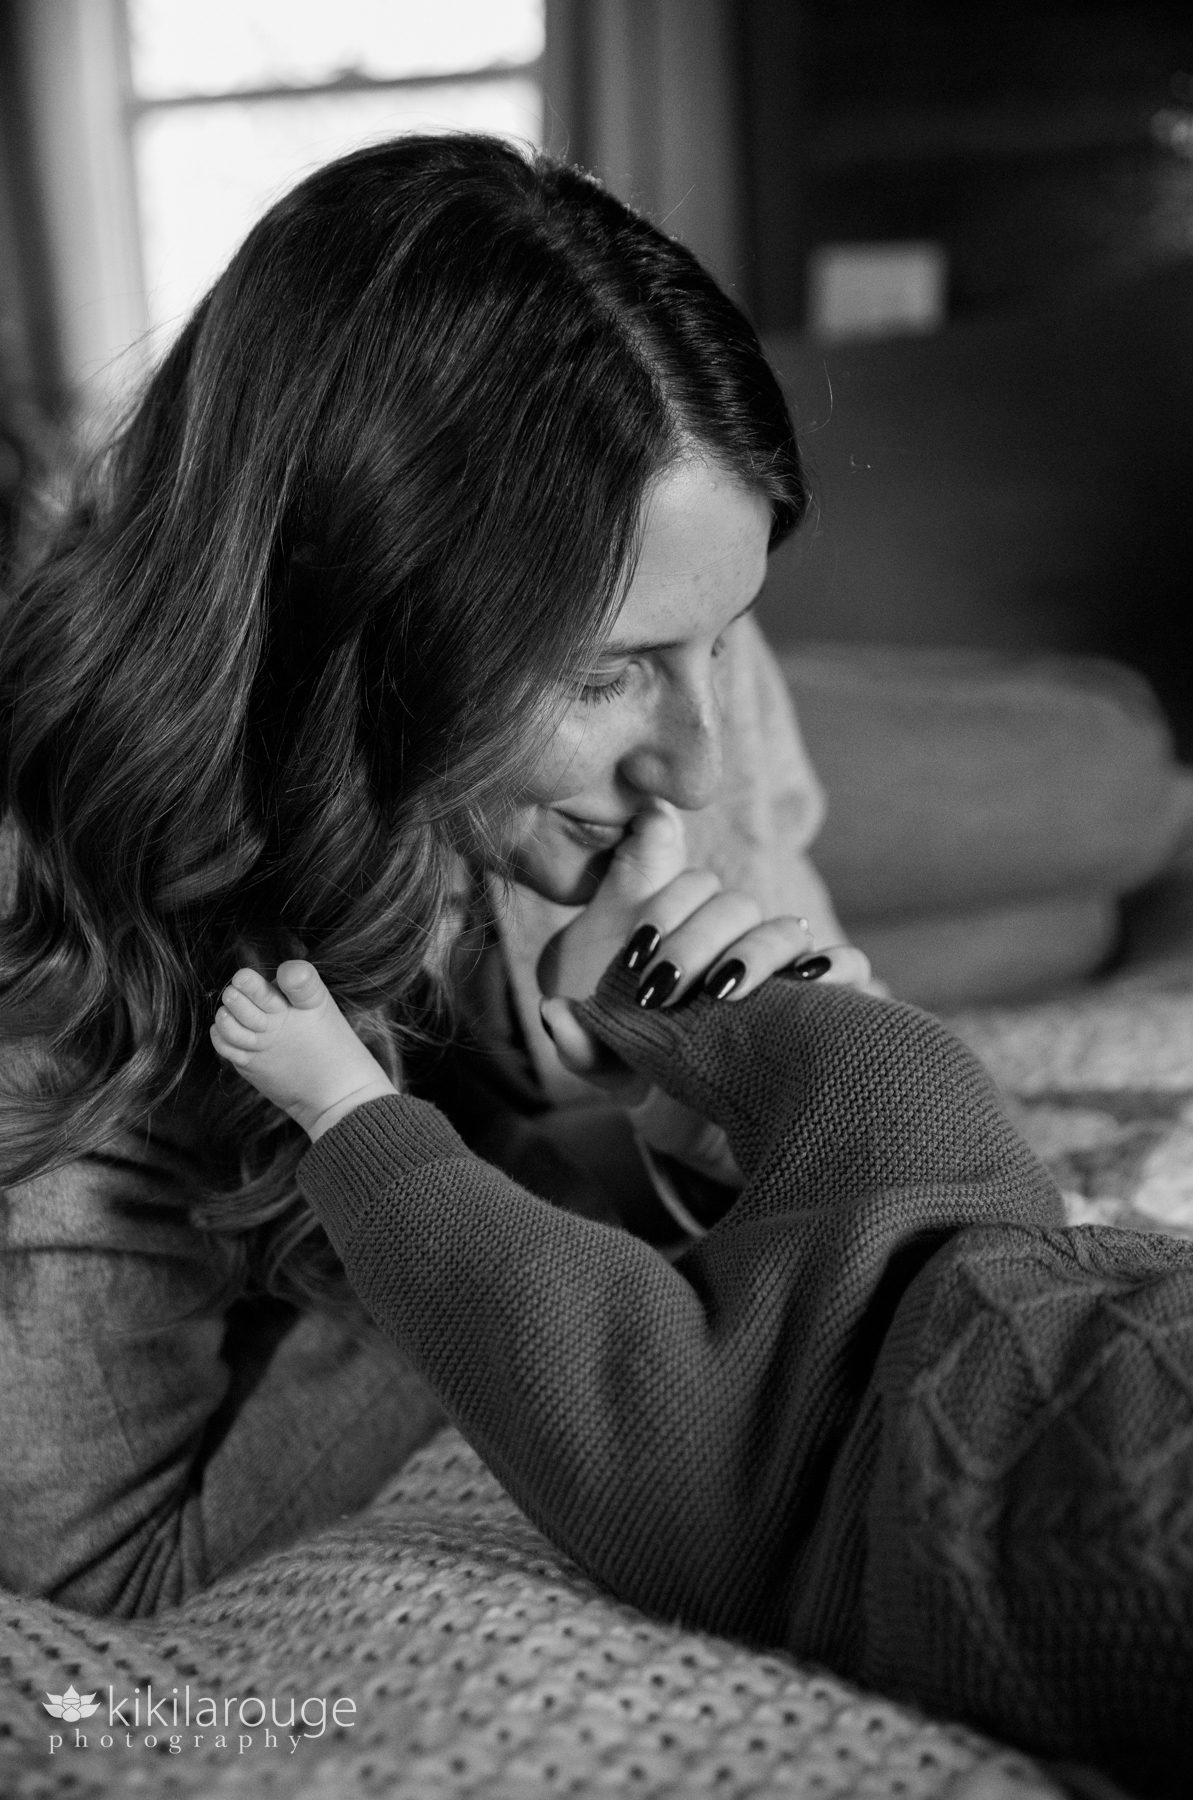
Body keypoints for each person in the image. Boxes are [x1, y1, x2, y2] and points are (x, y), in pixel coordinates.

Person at [0, 132, 867, 1618]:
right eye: (606, 674)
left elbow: (856, 1145)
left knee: (1096, 825)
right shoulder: (78, 914)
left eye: (725, 631)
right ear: (361, 637)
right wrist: (526, 1186)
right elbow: (103, 1573)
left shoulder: (676, 670)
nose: (695, 763)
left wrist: (728, 1098)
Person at [211, 955, 1193, 1800]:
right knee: (905, 1069)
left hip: (802, 1492)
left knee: (543, 1324)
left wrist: (345, 1110)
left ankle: (346, 1105)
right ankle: (638, 996)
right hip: (990, 1242)